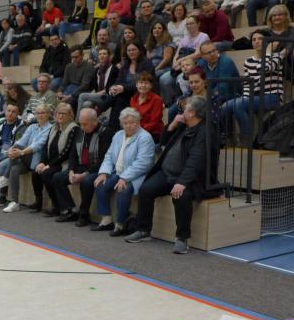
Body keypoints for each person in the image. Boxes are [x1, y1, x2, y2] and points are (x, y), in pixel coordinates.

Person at [126, 95, 220, 253]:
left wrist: (182, 182)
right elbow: (163, 141)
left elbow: (196, 160)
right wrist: (172, 126)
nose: (181, 111)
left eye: (185, 109)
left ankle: (182, 238)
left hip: (191, 179)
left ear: (193, 112)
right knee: (146, 189)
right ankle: (143, 230)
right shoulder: (183, 125)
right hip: (167, 173)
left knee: (181, 196)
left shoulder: (204, 132)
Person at [93, 108, 155, 236]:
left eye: (132, 122)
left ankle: (120, 224)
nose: (128, 125)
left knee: (124, 189)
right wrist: (104, 172)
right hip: (118, 172)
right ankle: (106, 219)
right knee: (100, 184)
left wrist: (125, 178)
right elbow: (109, 156)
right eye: (125, 123)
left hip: (137, 175)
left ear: (138, 122)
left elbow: (143, 163)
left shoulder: (145, 137)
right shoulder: (118, 135)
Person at [222, 29, 286, 145]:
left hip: (272, 97)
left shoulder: (276, 57)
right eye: (254, 39)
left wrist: (268, 51)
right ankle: (227, 137)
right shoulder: (248, 61)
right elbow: (247, 84)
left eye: (260, 39)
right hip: (255, 98)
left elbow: (263, 68)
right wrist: (246, 98)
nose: (256, 42)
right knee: (226, 106)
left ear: (268, 41)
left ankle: (246, 139)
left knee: (239, 104)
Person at [52, 108, 113, 225]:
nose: (82, 127)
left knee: (86, 182)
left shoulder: (105, 133)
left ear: (94, 121)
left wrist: (85, 174)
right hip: (80, 166)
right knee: (57, 178)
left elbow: (103, 159)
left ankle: (84, 214)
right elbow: (73, 154)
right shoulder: (80, 131)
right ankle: (71, 210)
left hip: (96, 169)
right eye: (81, 123)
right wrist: (71, 171)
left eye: (85, 124)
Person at [0, 104, 53, 212]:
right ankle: (14, 202)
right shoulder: (32, 127)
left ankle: (5, 178)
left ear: (48, 114)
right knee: (14, 169)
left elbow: (38, 145)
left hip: (38, 161)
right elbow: (22, 141)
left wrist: (21, 152)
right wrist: (12, 149)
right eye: (38, 113)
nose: (40, 115)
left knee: (16, 150)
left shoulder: (50, 128)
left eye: (43, 113)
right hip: (26, 159)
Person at [129, 72, 164, 142]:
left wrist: (137, 131)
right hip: (136, 130)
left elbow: (153, 122)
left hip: (152, 132)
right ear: (136, 85)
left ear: (151, 86)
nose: (143, 85)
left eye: (146, 83)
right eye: (141, 83)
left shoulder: (157, 100)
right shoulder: (133, 99)